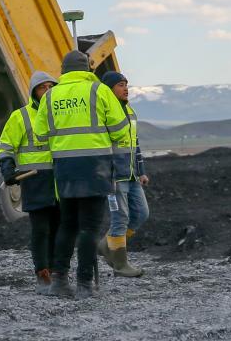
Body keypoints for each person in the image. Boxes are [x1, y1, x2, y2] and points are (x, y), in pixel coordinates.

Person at [32, 50, 132, 298]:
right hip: (95, 168)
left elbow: (40, 135)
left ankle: (59, 282)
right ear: (87, 69)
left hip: (65, 169)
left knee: (67, 225)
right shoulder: (98, 90)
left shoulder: (51, 95)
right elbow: (121, 129)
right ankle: (85, 284)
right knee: (89, 228)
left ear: (63, 71)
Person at [0, 71, 60, 295]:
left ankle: (57, 271)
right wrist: (7, 169)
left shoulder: (62, 115)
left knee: (59, 229)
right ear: (34, 92)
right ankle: (42, 272)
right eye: (43, 87)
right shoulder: (20, 117)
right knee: (41, 230)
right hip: (35, 181)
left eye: (51, 87)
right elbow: (5, 146)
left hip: (61, 182)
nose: (48, 91)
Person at [98, 70, 150, 278]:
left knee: (141, 213)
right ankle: (120, 265)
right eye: (120, 85)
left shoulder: (129, 111)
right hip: (114, 176)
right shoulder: (102, 112)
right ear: (109, 89)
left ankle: (106, 244)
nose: (126, 88)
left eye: (126, 84)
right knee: (120, 217)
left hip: (131, 175)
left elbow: (134, 144)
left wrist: (141, 171)